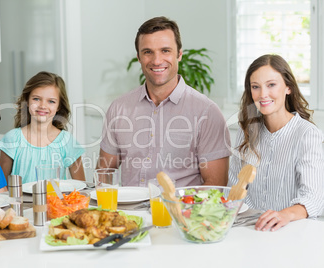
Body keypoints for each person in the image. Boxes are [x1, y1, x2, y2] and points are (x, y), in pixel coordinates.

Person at [97, 16, 231, 187]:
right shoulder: (119, 108)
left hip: (179, 212)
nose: (157, 60)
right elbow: (105, 173)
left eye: (165, 50)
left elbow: (215, 185)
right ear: (138, 57)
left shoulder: (207, 112)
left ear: (179, 54)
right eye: (148, 52)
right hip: (127, 212)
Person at [228, 54, 324, 232]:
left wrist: (284, 215)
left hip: (290, 232)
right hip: (248, 230)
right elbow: (233, 189)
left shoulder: (307, 134)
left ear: (288, 87)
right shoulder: (246, 131)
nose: (263, 94)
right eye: (255, 87)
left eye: (271, 85)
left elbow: (314, 200)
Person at [0, 71, 85, 183]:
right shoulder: (12, 138)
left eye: (51, 101)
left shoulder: (67, 142)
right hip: (20, 201)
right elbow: (1, 187)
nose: (43, 106)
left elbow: (82, 187)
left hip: (56, 200)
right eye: (36, 99)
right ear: (27, 101)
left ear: (59, 106)